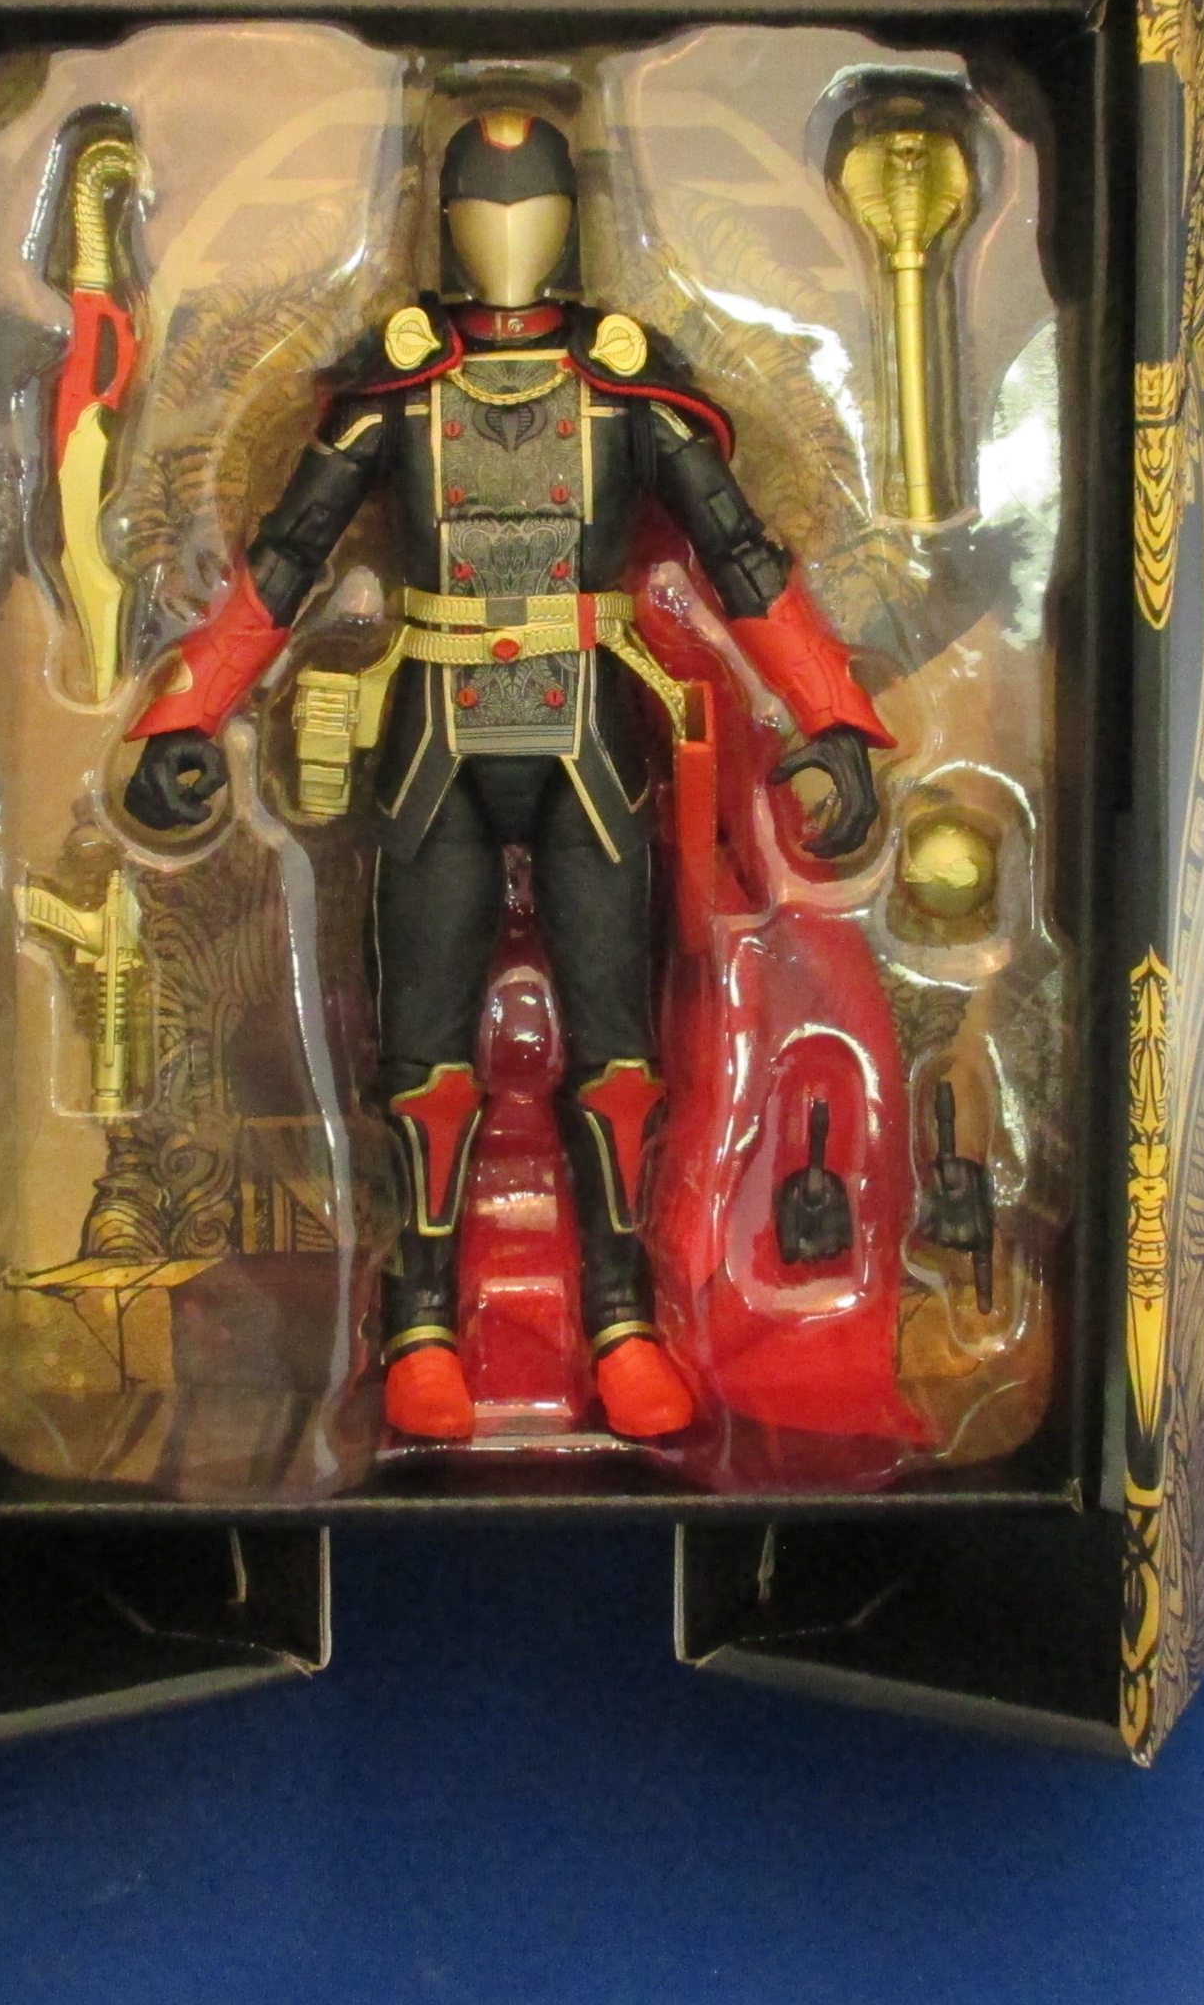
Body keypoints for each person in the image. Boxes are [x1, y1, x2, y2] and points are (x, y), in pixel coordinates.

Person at [121, 107, 891, 1442]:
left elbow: (742, 555)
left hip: (591, 738)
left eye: (528, 209)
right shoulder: (399, 386)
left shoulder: (622, 384)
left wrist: (831, 711)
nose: (508, 236)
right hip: (437, 744)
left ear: (572, 221)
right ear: (445, 223)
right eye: (484, 210)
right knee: (424, 1058)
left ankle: (622, 1318)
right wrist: (186, 712)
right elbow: (287, 557)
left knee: (620, 1057)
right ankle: (420, 1322)